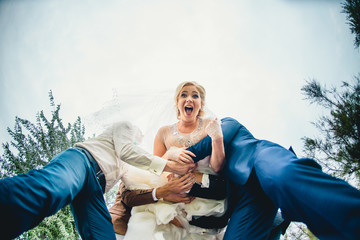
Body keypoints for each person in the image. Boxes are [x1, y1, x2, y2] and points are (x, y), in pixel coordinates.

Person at [0, 121, 196, 240]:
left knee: (103, 235)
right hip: (83, 160)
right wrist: (169, 165)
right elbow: (129, 152)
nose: (141, 138)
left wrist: (166, 193)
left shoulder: (129, 164)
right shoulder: (125, 127)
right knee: (53, 189)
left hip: (94, 189)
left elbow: (135, 187)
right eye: (140, 136)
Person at [184, 117, 360, 239]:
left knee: (285, 177)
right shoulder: (206, 169)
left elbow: (200, 149)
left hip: (259, 159)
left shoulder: (226, 123)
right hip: (247, 198)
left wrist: (174, 155)